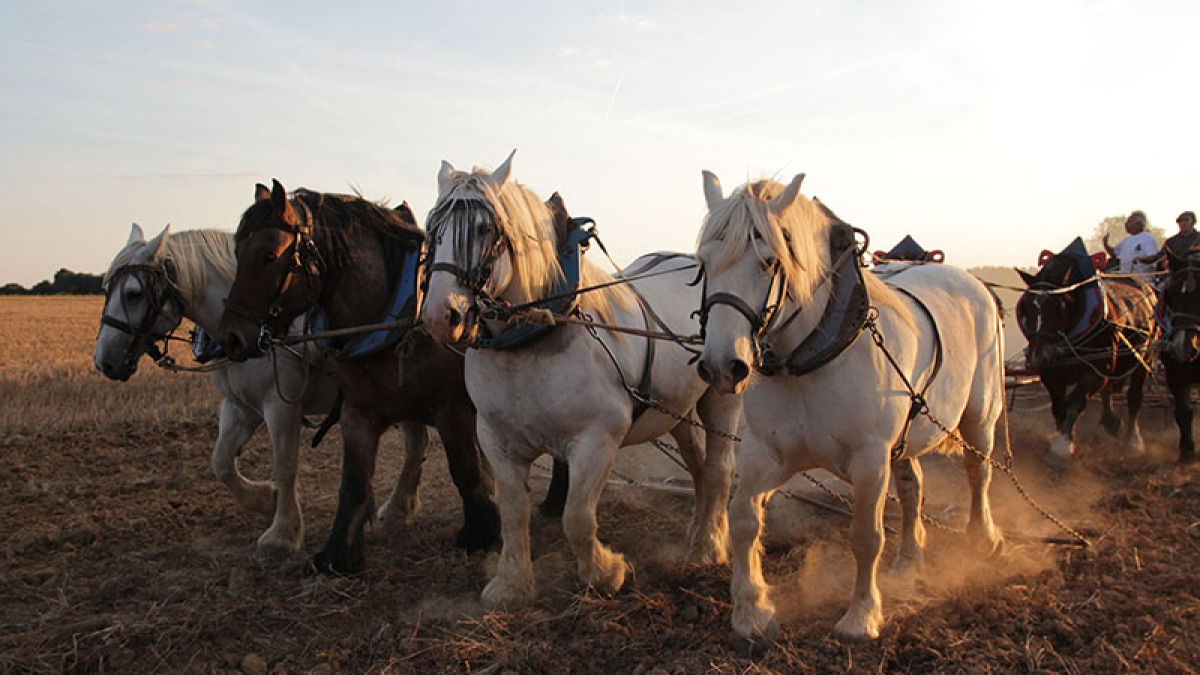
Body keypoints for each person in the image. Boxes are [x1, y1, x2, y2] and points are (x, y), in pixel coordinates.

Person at [1103, 210, 1159, 279]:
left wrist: (1141, 259)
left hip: (1143, 281)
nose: (1126, 224)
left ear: (1139, 224)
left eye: (1129, 221)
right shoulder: (1127, 240)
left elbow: (1153, 257)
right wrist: (1105, 244)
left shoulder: (1148, 238)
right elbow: (1114, 253)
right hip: (1127, 279)